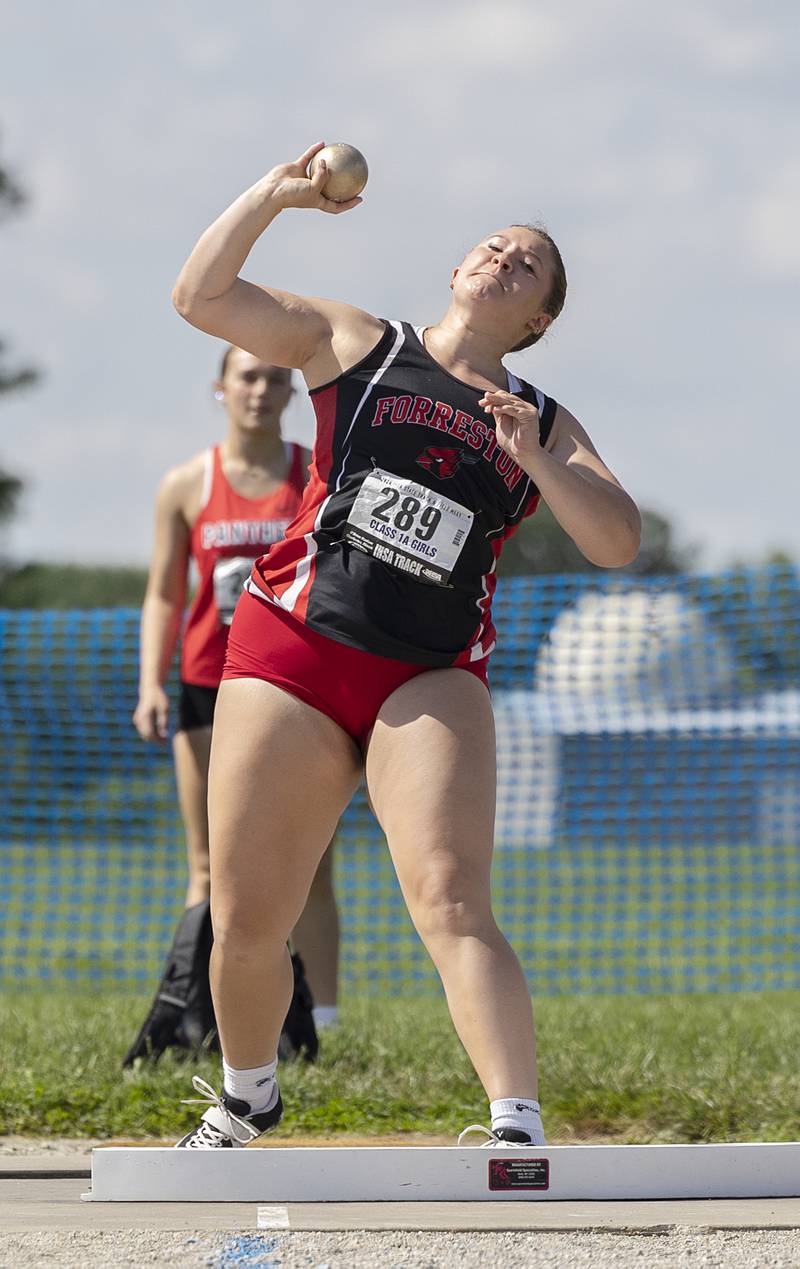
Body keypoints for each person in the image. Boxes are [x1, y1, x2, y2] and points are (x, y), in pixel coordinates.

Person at [169, 142, 641, 1148]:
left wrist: (535, 463)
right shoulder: (360, 342)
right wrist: (274, 194)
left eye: (527, 265)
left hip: (426, 675)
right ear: (456, 271)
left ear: (538, 320)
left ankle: (514, 1124)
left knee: (450, 895)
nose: (501, 258)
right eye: (491, 246)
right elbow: (200, 298)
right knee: (250, 918)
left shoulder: (542, 420)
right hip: (293, 648)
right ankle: (248, 1091)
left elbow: (614, 542)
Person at [124, 343, 340, 1068]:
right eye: (247, 375)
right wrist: (150, 681)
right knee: (211, 862)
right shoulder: (187, 483)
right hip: (207, 683)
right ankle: (200, 1016)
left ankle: (321, 1023)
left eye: (276, 377)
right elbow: (163, 591)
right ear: (221, 387)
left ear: (291, 390)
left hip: (293, 687)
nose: (261, 389)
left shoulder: (319, 471)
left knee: (311, 865)